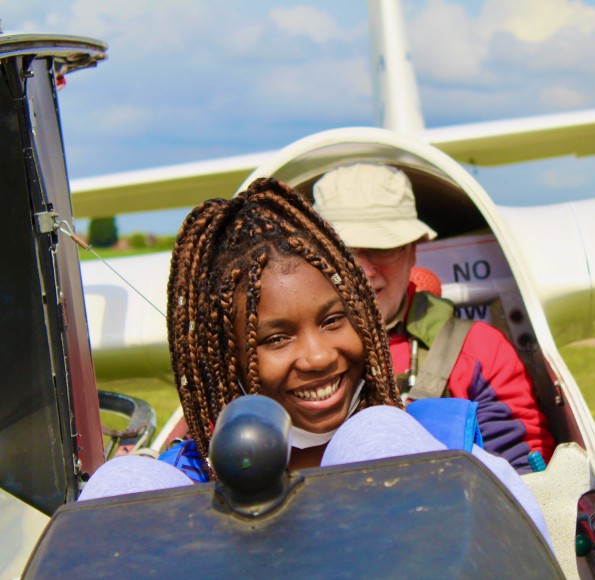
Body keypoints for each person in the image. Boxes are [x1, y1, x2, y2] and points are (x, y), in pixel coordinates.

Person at [78, 178, 552, 544]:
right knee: (123, 484)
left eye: (333, 320)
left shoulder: (443, 442)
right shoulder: (177, 481)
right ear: (228, 359)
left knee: (376, 437)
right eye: (277, 338)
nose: (320, 356)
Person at [312, 162, 555, 473]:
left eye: (382, 248)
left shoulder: (478, 349)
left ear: (413, 251)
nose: (364, 270)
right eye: (344, 252)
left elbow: (522, 471)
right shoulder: (287, 354)